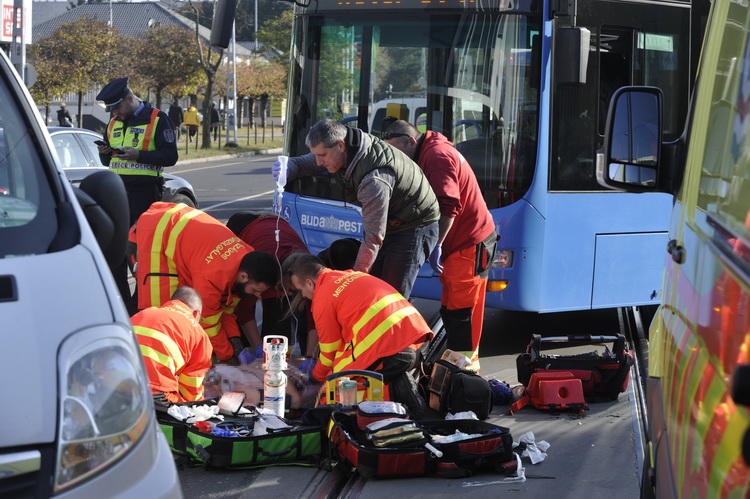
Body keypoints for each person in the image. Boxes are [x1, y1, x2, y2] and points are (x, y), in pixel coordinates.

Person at [272, 119, 440, 299]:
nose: (319, 162)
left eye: (322, 155)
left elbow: (374, 236)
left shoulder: (373, 179)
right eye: (316, 155)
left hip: (414, 227)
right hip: (393, 221)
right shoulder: (342, 149)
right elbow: (303, 164)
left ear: (341, 145)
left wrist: (354, 278)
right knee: (374, 288)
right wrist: (288, 167)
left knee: (390, 297)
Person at [383, 120, 497, 371]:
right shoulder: (428, 151)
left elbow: (448, 205)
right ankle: (461, 365)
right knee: (452, 308)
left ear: (411, 141)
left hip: (467, 242)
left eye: (397, 152)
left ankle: (465, 373)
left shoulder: (436, 156)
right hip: (467, 240)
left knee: (460, 312)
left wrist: (437, 244)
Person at [129, 202, 279, 362]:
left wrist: (237, 346)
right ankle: (152, 364)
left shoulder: (246, 259)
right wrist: (229, 356)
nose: (256, 296)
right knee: (162, 315)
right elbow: (208, 321)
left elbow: (226, 311)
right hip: (156, 230)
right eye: (256, 290)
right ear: (244, 277)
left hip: (178, 224)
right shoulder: (213, 274)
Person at [288, 253, 432, 417]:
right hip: (419, 338)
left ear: (309, 283)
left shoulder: (323, 297)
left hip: (392, 351)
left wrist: (314, 378)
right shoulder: (354, 275)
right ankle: (405, 402)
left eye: (301, 290)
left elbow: (330, 352)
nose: (304, 296)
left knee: (333, 386)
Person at [95, 77, 178, 310]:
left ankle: (142, 303)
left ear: (130, 99)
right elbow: (108, 160)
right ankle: (123, 304)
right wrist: (105, 152)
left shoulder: (158, 119)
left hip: (144, 194)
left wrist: (139, 155)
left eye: (118, 107)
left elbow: (170, 157)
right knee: (116, 251)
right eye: (112, 110)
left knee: (141, 252)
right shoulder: (114, 121)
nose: (116, 113)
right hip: (117, 192)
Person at [226, 211, 314, 356]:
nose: (292, 294)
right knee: (238, 310)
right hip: (242, 226)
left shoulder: (307, 272)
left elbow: (313, 320)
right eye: (289, 290)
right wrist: (258, 348)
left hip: (276, 223)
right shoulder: (262, 271)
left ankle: (278, 359)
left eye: (295, 291)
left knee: (279, 319)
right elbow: (244, 311)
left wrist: (310, 356)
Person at [132, 286, 213, 404]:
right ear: (196, 313)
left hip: (112, 383)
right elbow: (191, 393)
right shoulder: (199, 334)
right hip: (152, 392)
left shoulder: (144, 313)